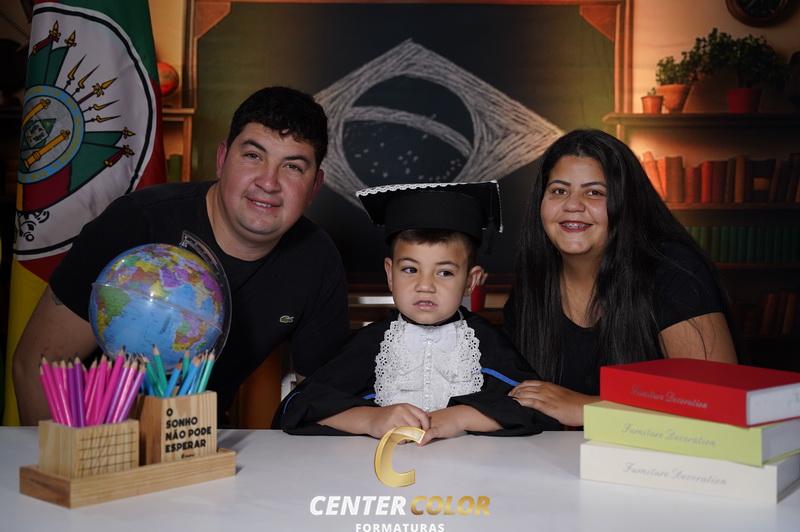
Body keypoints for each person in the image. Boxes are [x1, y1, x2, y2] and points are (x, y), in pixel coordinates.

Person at [13, 86, 350, 425]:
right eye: (253, 156)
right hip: (94, 436)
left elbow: (321, 398)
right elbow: (36, 364)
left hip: (196, 438)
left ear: (314, 186)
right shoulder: (136, 222)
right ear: (222, 159)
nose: (268, 182)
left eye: (293, 167)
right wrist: (60, 455)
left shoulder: (317, 260)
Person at [278, 182, 559, 442]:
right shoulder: (370, 345)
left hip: (470, 474)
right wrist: (370, 420)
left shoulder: (486, 344)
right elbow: (297, 407)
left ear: (470, 281)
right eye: (410, 269)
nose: (425, 286)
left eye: (445, 272)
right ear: (390, 274)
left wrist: (460, 417)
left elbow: (542, 410)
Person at [504, 129, 737, 427]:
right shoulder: (531, 286)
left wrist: (588, 409)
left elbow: (718, 402)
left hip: (659, 454)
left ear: (626, 204)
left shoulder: (673, 270)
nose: (573, 205)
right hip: (558, 455)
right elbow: (515, 398)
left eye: (594, 192)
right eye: (559, 191)